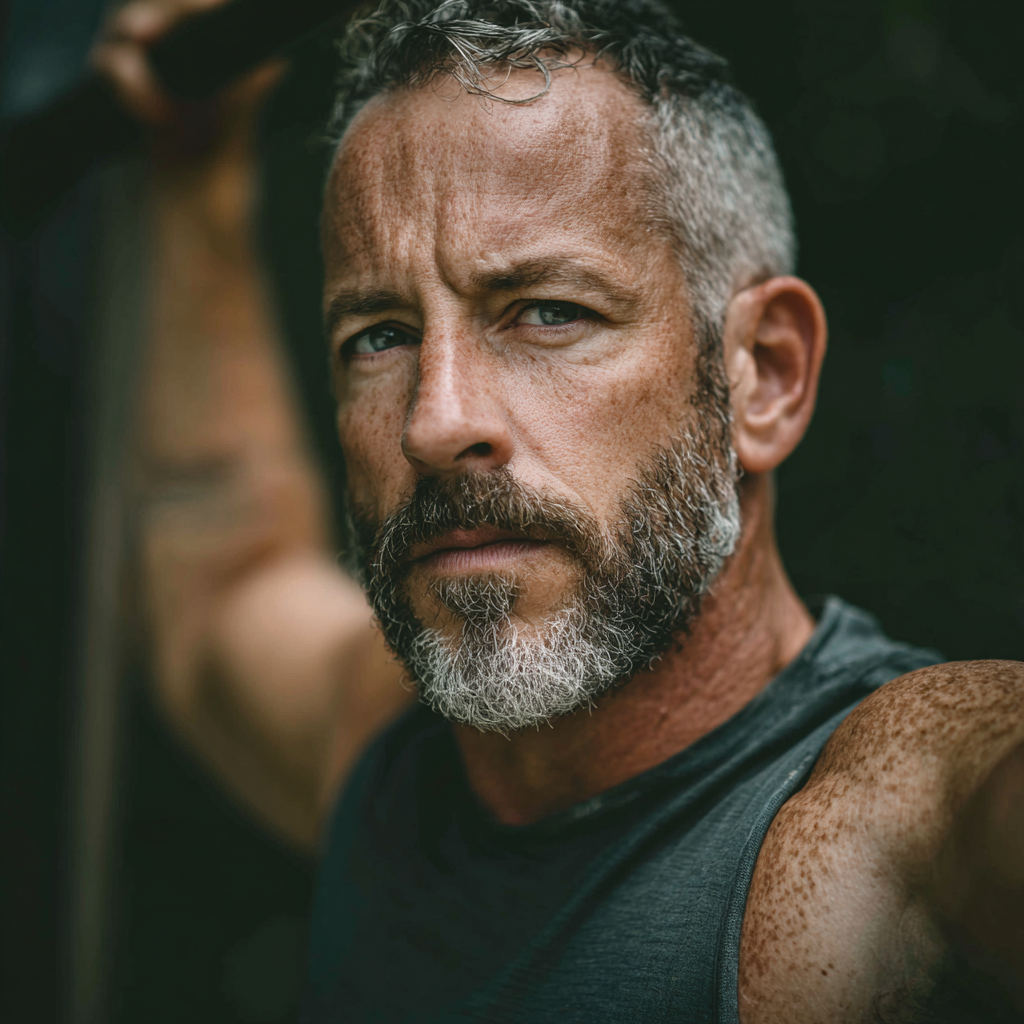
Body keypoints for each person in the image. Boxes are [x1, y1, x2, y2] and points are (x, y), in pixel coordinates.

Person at [94, 0, 1024, 1019]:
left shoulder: (900, 818)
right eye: (381, 335)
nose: (436, 422)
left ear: (762, 375)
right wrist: (196, 177)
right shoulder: (387, 760)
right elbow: (220, 555)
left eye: (548, 312)